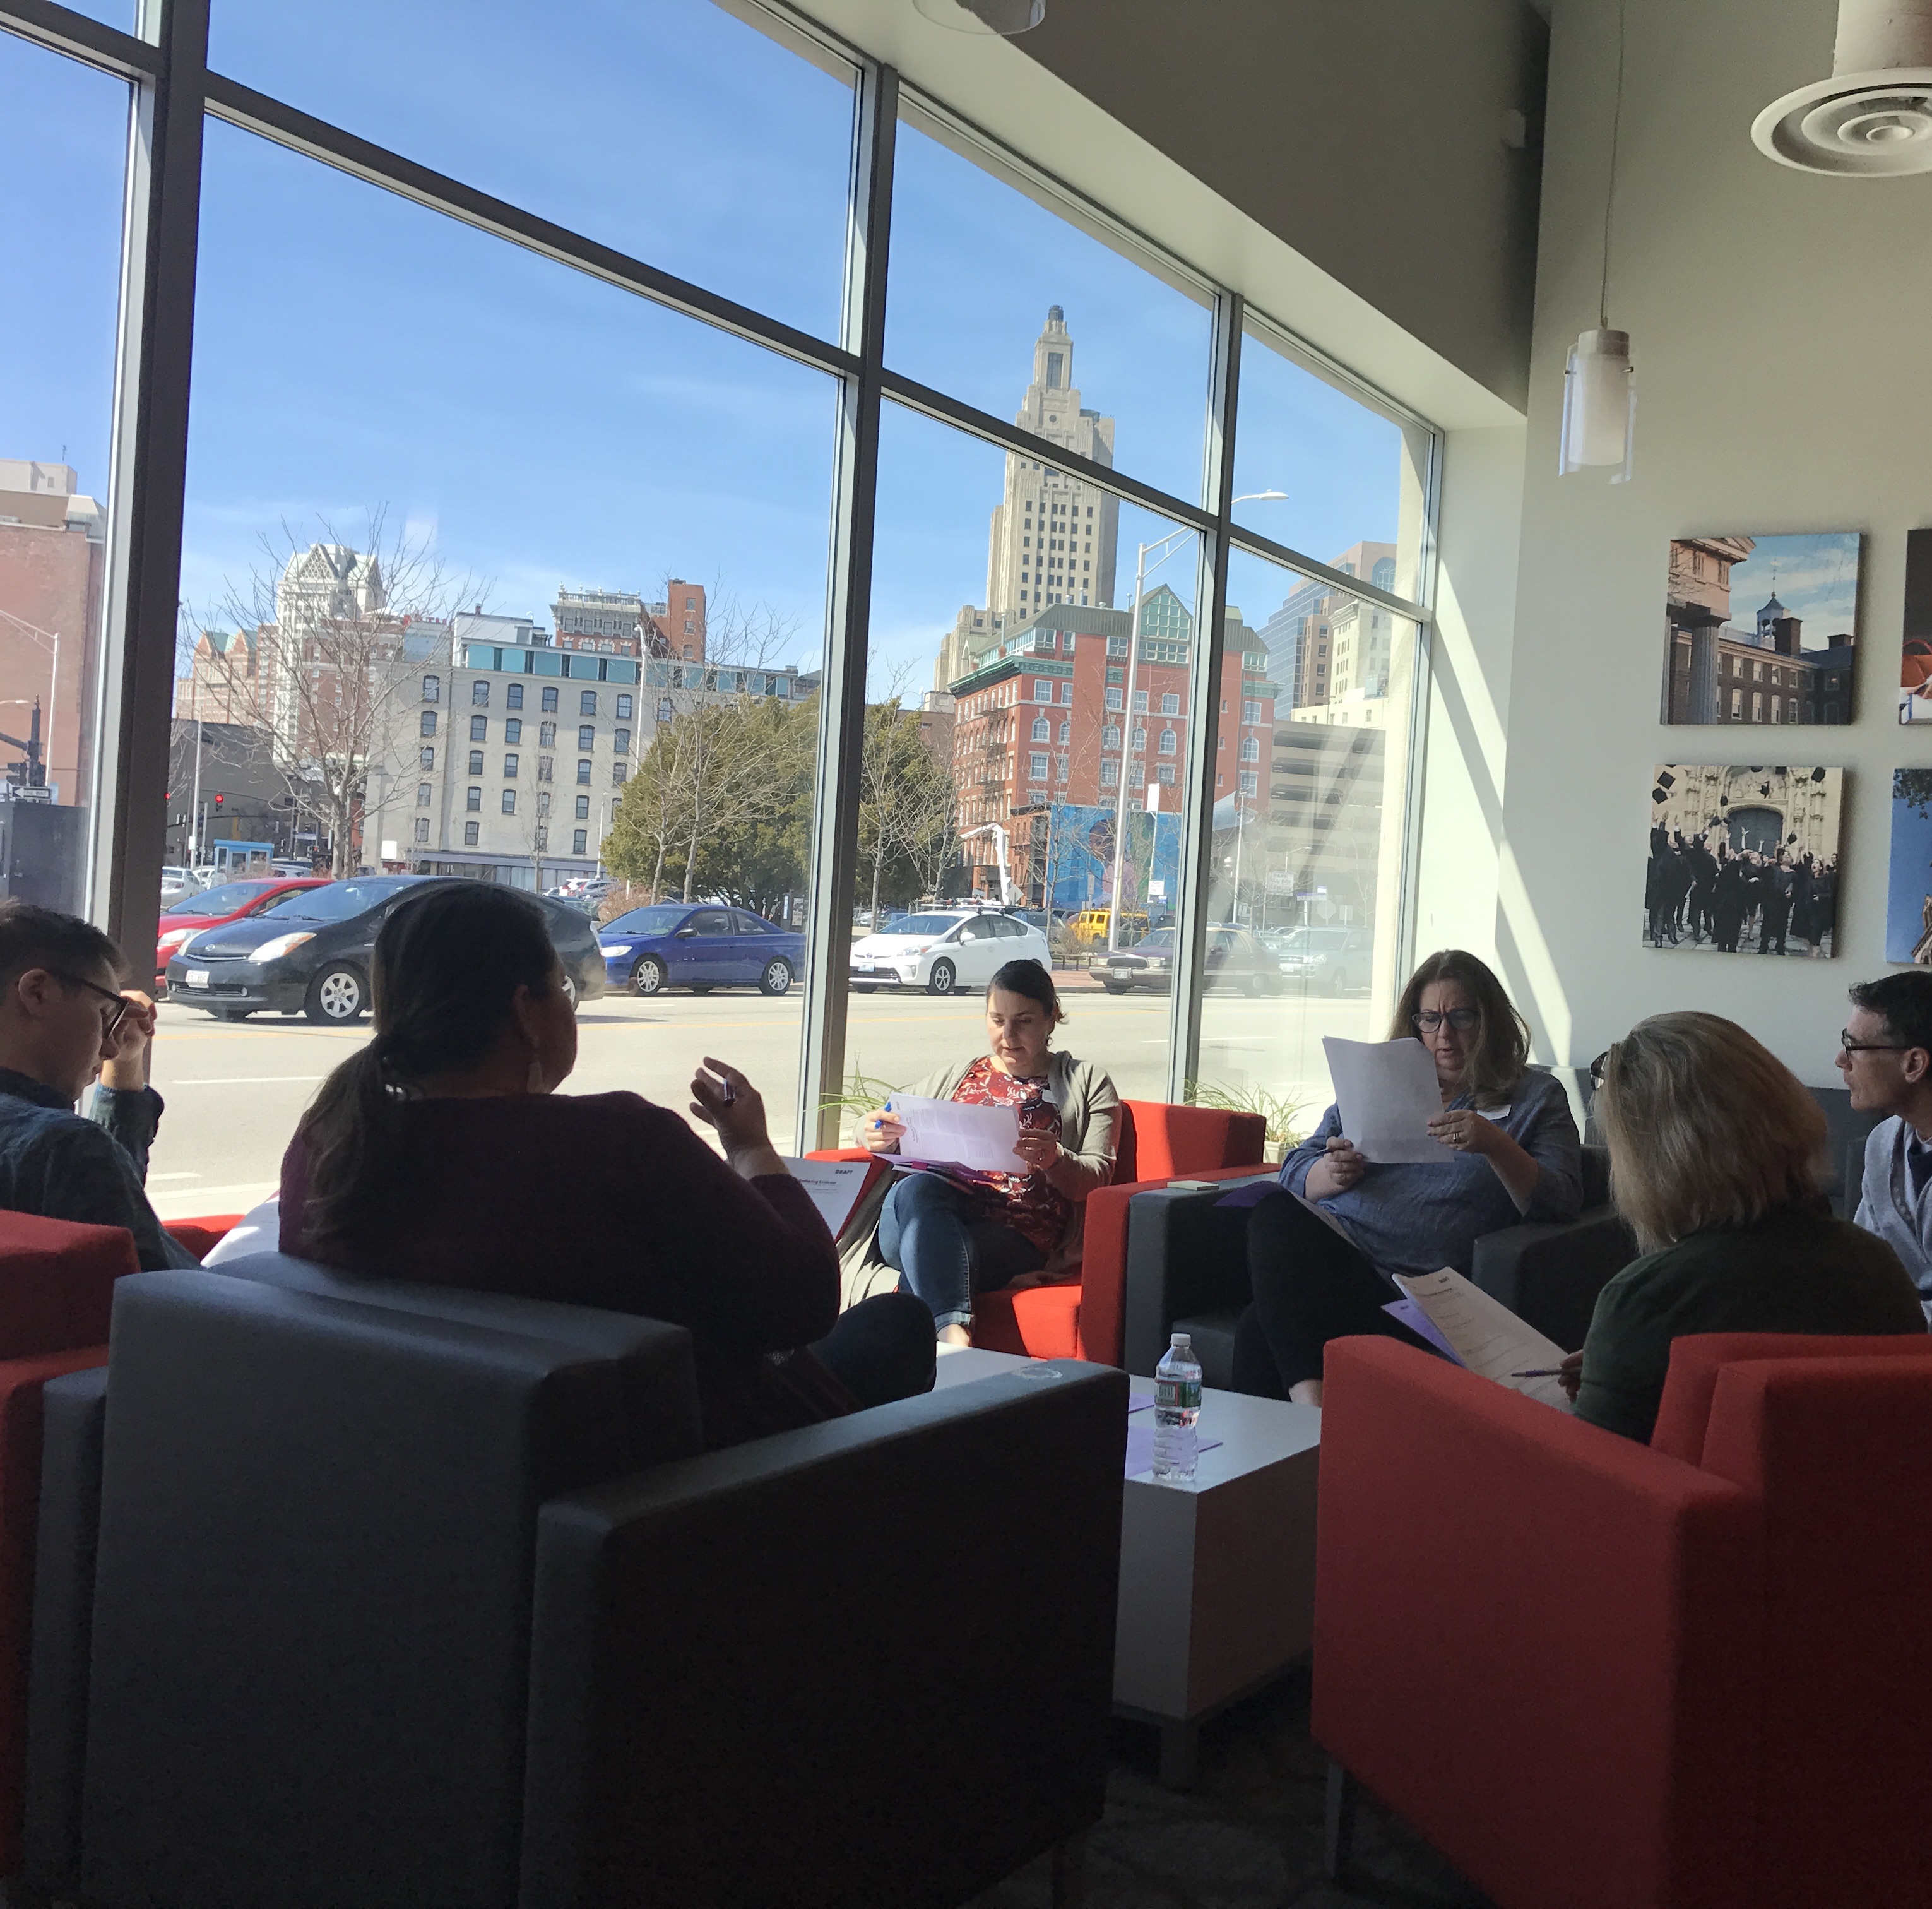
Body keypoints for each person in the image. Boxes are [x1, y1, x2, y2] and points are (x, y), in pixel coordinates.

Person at [280, 882, 933, 1451]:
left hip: (457, 1474)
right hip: (708, 1477)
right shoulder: (618, 1143)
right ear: (526, 1011)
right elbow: (804, 1301)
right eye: (562, 988)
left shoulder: (329, 1145)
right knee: (895, 1325)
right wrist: (750, 1150)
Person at [1230, 948, 1583, 1408]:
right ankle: (1308, 1424)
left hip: (1418, 1294)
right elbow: (1295, 1166)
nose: (1444, 1035)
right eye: (1430, 1019)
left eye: (1461, 1017)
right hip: (1343, 1259)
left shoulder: (1534, 1096)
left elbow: (1561, 1200)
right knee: (1273, 1214)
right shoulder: (1379, 1082)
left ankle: (1310, 1422)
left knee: (1260, 1325)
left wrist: (1497, 1146)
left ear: (1489, 1020)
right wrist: (1329, 1173)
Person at [1566, 1013, 1923, 1441]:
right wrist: (1614, 1371)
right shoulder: (1878, 1267)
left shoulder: (1646, 1300)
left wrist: (1617, 1363)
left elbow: (1593, 1473)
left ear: (1650, 1157)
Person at [856, 959, 1120, 1346]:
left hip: (1013, 1236)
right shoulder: (961, 1074)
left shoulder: (1088, 1081)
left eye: (1024, 1021)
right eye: (997, 1021)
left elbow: (1097, 1179)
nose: (1008, 1036)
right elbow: (883, 1118)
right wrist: (871, 1131)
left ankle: (947, 1339)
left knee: (938, 1255)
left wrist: (1055, 1160)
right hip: (919, 1216)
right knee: (918, 1189)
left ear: (1052, 1018)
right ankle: (954, 1334)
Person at [0, 900, 194, 1270]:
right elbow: (157, 1292)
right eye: (106, 1015)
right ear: (38, 992)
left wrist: (126, 1065)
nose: (111, 1048)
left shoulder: (58, 1151)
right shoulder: (64, 1149)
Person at [1841, 972, 1932, 1317]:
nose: (1841, 1060)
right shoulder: (1883, 1142)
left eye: (1854, 1047)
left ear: (1913, 1064)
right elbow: (1863, 1262)